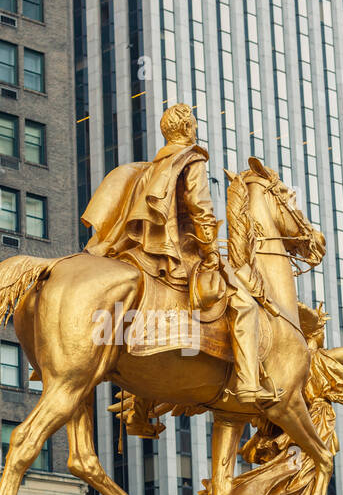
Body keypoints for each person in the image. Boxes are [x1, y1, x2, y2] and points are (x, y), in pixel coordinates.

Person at [83, 103, 275, 404]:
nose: (194, 129)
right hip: (180, 251)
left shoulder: (151, 167)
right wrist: (211, 251)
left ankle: (140, 408)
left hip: (141, 249)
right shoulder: (191, 159)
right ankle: (249, 381)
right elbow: (201, 209)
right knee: (244, 304)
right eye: (193, 125)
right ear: (188, 128)